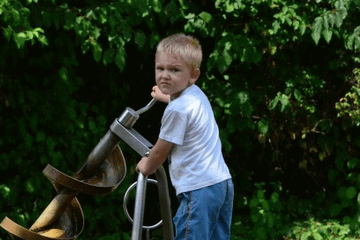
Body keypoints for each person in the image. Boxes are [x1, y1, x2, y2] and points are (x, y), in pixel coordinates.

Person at [136, 33, 234, 240]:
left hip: (198, 189)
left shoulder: (177, 110)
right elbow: (184, 107)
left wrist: (147, 165)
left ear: (193, 75)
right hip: (221, 184)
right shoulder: (195, 94)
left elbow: (163, 148)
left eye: (174, 70)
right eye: (160, 68)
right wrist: (166, 97)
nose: (165, 75)